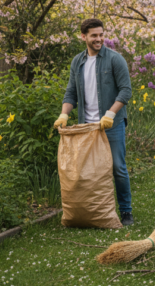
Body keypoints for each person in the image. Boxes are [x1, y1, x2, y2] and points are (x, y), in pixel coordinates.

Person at [54, 19, 134, 226]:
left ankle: (126, 212)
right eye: (94, 36)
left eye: (101, 35)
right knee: (89, 170)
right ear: (83, 36)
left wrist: (110, 114)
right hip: (86, 127)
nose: (99, 39)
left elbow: (126, 91)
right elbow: (71, 92)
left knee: (118, 167)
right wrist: (64, 115)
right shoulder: (77, 62)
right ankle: (92, 211)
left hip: (111, 125)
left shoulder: (115, 59)